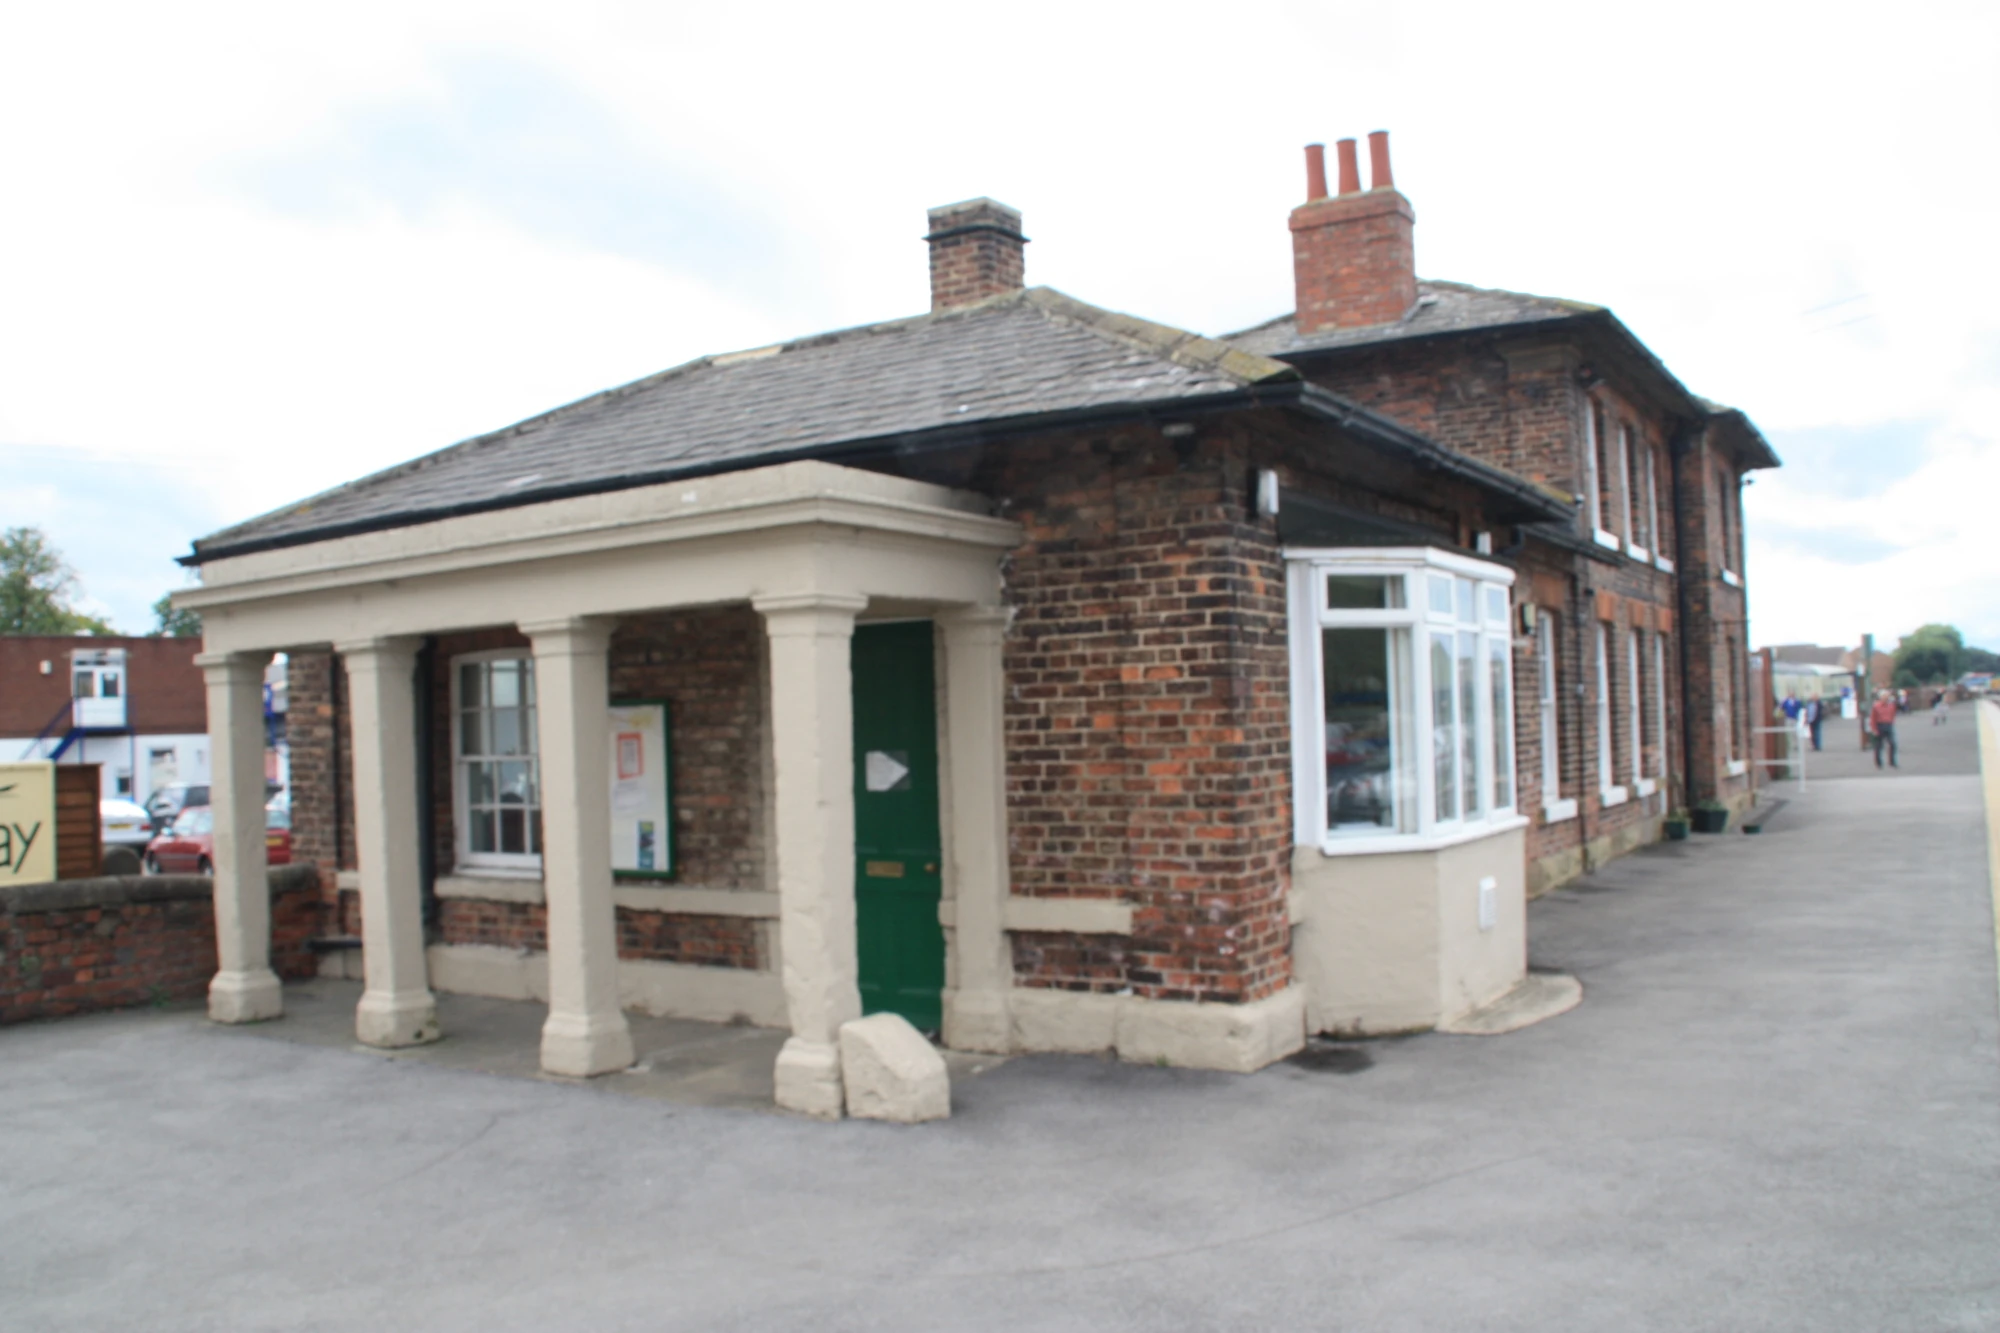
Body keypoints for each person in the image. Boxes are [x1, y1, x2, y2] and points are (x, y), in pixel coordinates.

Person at [1868, 689, 1900, 769]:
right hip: (1880, 725)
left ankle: (1892, 761)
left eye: (1887, 696)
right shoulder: (1876, 706)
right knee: (1879, 745)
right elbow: (1873, 718)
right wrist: (1874, 729)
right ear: (1881, 698)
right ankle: (1878, 763)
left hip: (1888, 725)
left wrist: (1891, 722)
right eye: (1884, 697)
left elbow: (1893, 715)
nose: (1886, 698)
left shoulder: (1891, 706)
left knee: (1893, 744)